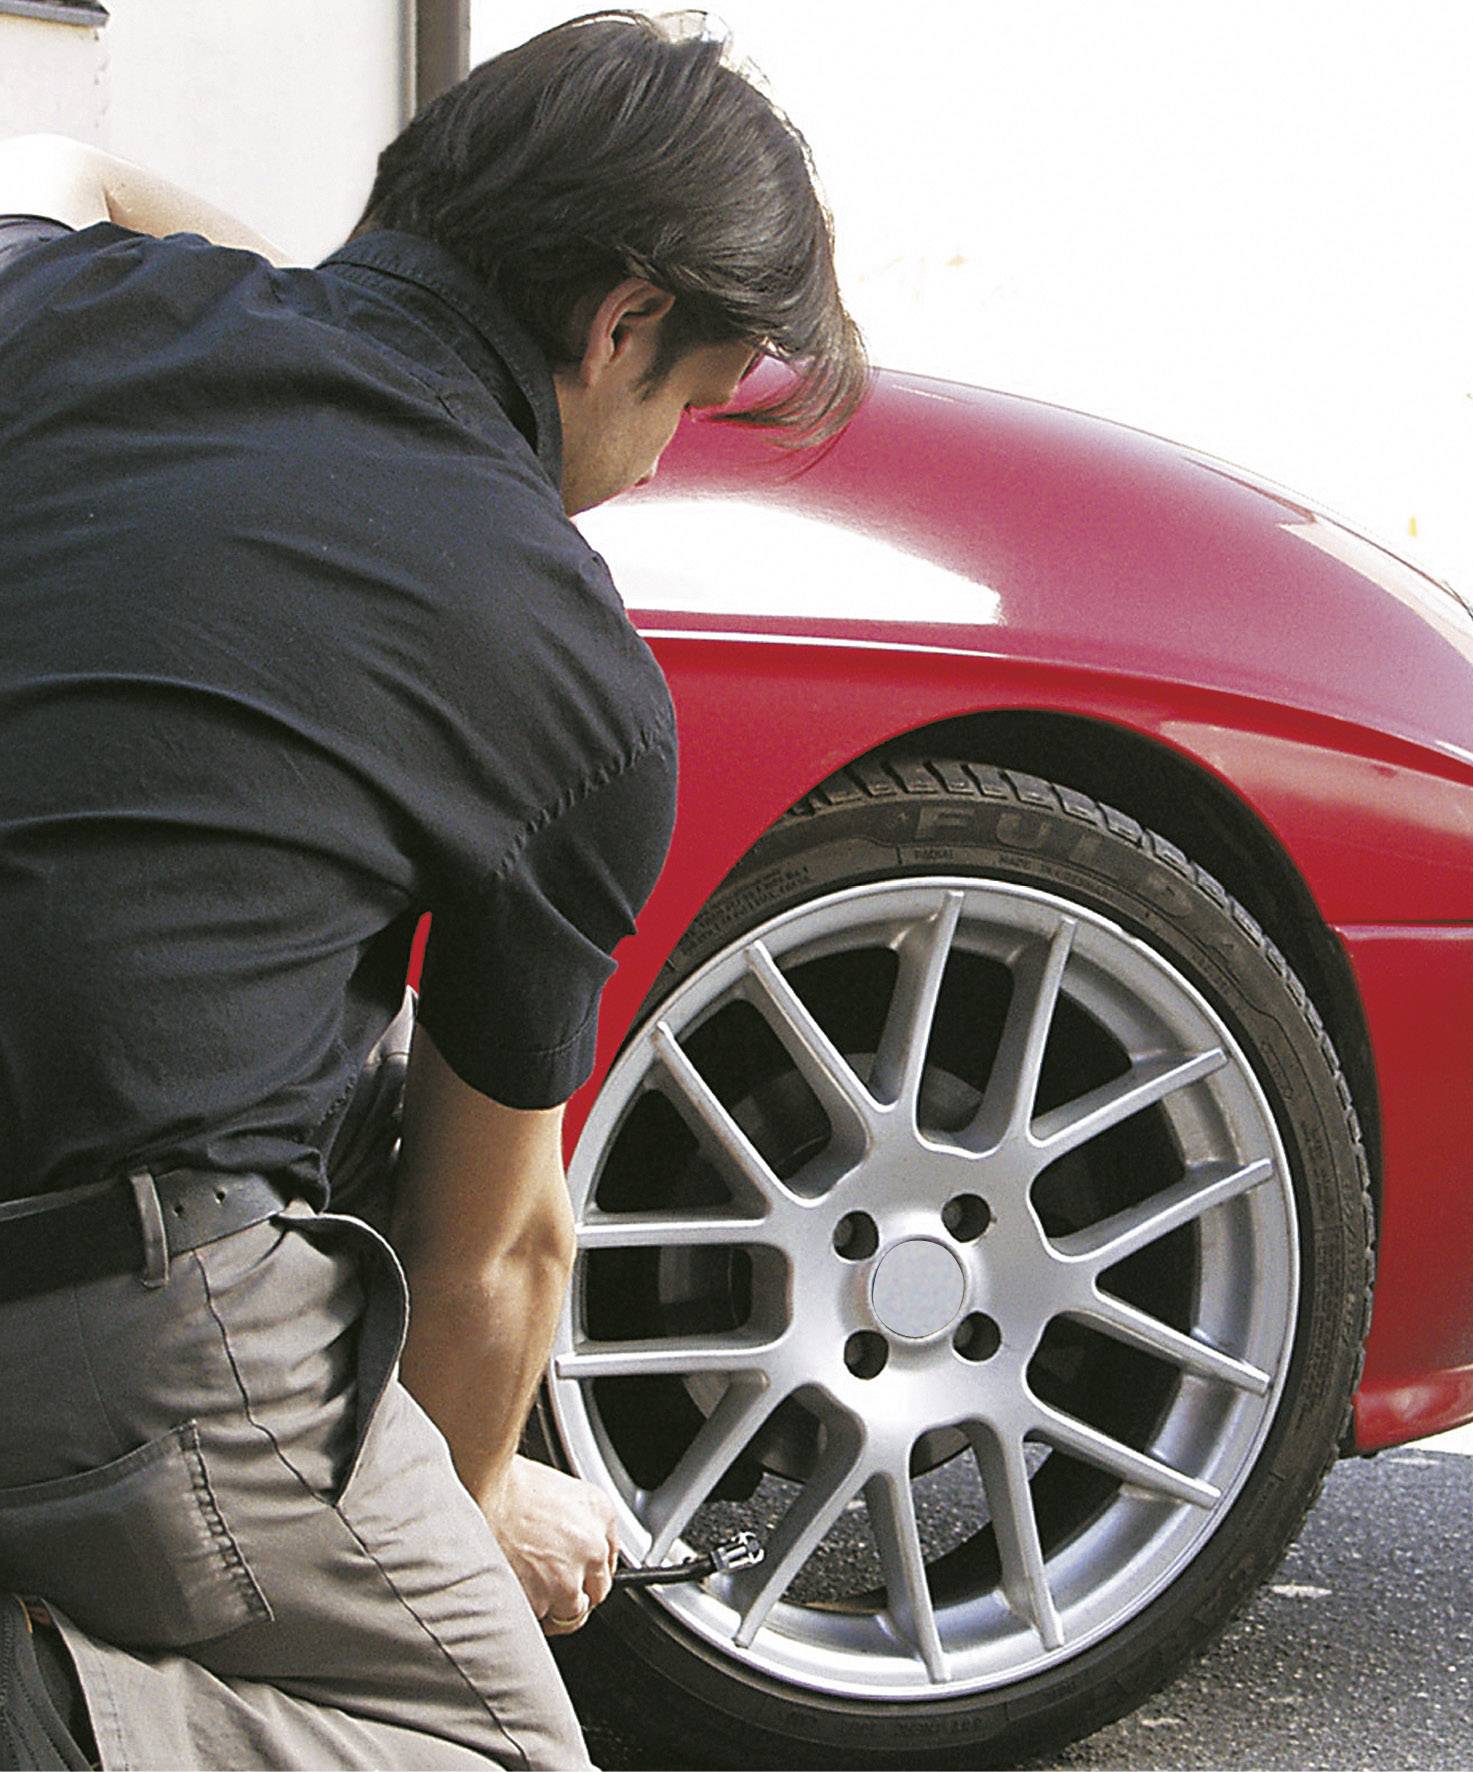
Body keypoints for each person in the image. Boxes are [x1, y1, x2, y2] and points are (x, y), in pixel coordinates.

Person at [0, 12, 865, 1768]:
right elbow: (494, 1253)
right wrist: (462, 1512)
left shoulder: (50, 296)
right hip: (83, 1317)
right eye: (689, 405)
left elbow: (57, 162)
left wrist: (329, 299)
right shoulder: (561, 657)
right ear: (621, 322)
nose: (655, 461)